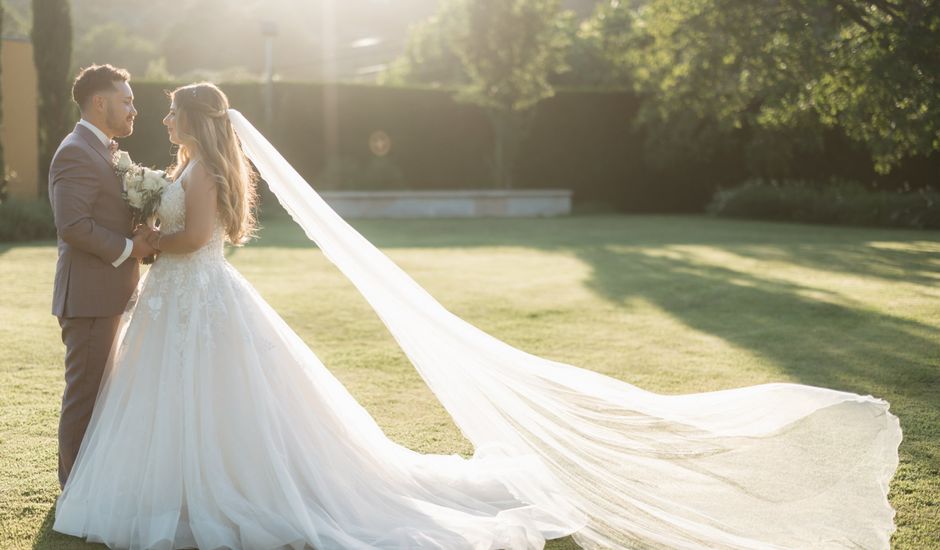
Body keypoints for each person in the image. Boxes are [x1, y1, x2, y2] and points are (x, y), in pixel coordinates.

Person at [53, 82, 902, 549]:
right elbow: (176, 223)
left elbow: (198, 234)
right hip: (182, 305)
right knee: (188, 405)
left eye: (166, 107)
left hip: (193, 299)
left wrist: (145, 243)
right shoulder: (185, 160)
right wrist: (144, 226)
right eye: (150, 107)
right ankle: (184, 486)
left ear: (193, 118)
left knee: (223, 409)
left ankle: (218, 491)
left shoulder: (198, 173)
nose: (156, 114)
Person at [48, 64, 154, 490]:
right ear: (99, 102)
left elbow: (104, 213)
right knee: (85, 396)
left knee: (103, 397)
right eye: (126, 101)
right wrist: (131, 248)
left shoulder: (104, 150)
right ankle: (73, 491)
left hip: (110, 293)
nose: (133, 109)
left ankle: (93, 485)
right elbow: (72, 225)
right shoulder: (75, 151)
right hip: (90, 298)